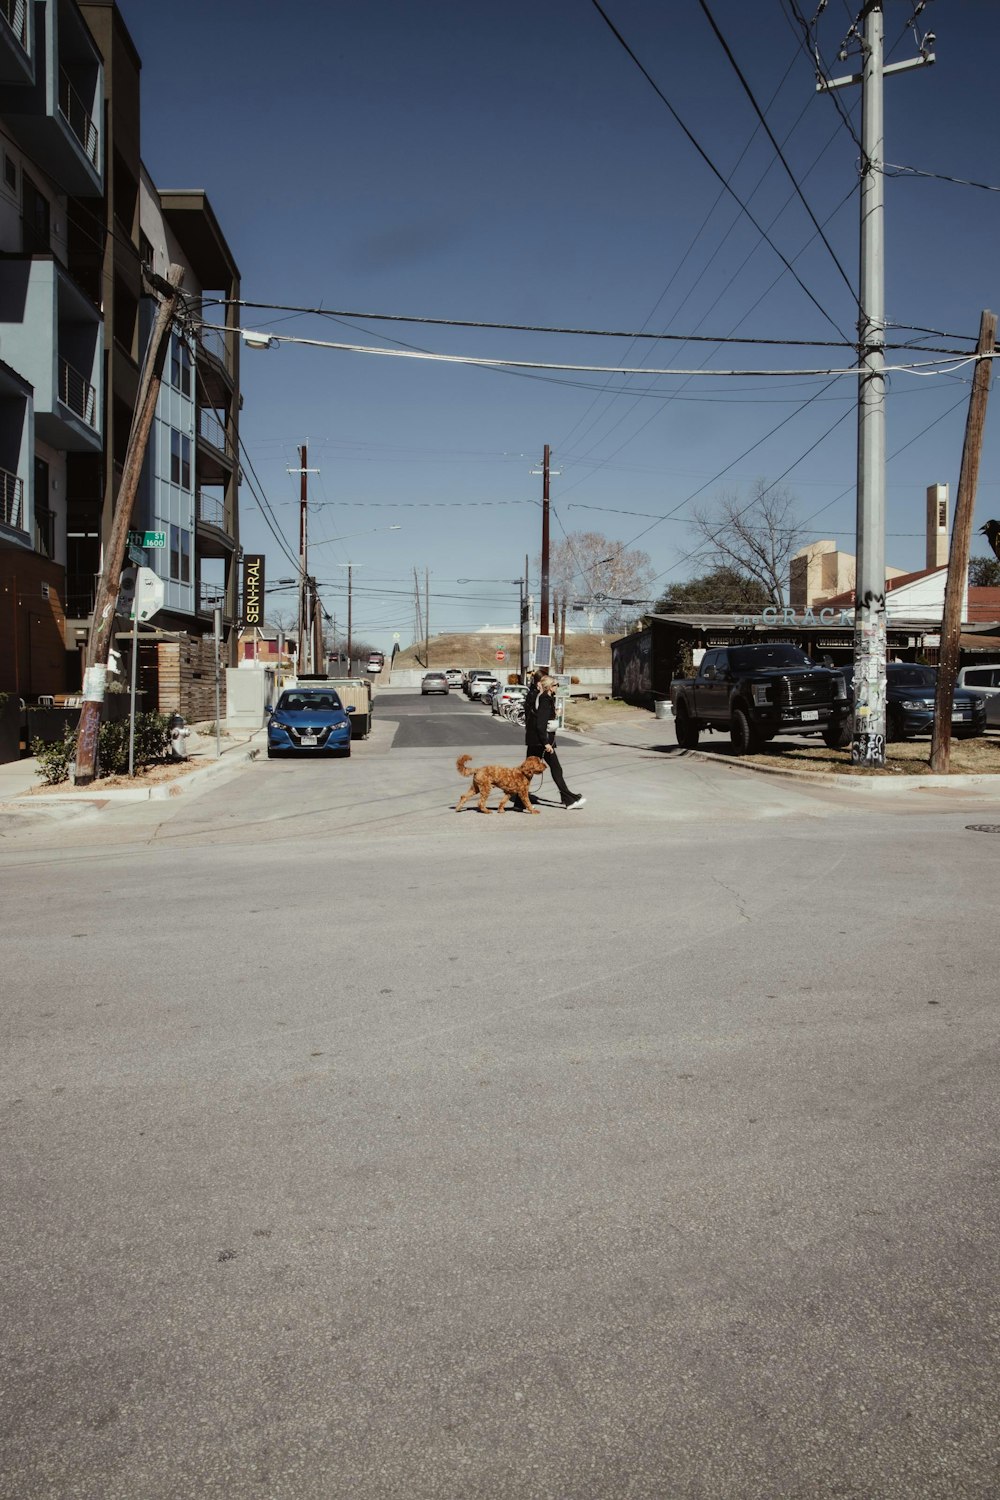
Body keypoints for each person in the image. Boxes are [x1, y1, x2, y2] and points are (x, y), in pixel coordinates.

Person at [528, 675, 585, 810]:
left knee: (528, 771)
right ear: (549, 687)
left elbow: (542, 718)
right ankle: (569, 800)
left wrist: (555, 714)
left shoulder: (544, 698)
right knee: (556, 769)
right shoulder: (545, 700)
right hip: (542, 742)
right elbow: (540, 724)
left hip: (537, 741)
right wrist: (546, 743)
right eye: (555, 685)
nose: (557, 687)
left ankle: (519, 801)